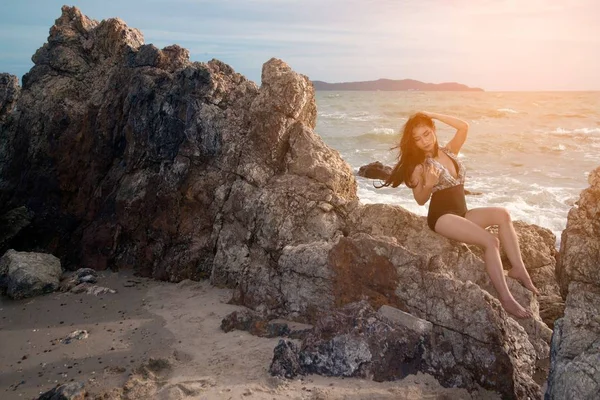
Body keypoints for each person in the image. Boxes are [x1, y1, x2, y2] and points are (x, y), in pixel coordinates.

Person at [380, 111, 539, 318]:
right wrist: (429, 184)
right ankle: (506, 299)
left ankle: (519, 269)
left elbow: (464, 127)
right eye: (417, 139)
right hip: (441, 217)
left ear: (434, 130)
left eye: (427, 134)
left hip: (462, 213)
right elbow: (420, 200)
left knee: (503, 215)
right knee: (491, 241)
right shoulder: (420, 166)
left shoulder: (449, 151)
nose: (424, 141)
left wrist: (432, 114)